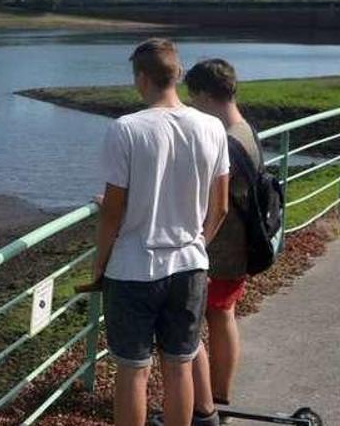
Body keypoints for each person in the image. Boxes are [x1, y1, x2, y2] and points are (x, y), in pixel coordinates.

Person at [77, 38, 231, 426]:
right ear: (178, 75)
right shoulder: (212, 127)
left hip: (133, 268)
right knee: (179, 365)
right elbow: (222, 205)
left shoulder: (127, 129)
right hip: (190, 264)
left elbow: (112, 211)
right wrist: (198, 243)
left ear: (141, 78)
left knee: (134, 371)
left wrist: (99, 267)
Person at [185, 59, 261, 419]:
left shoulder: (227, 143)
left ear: (203, 93)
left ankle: (207, 401)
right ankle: (219, 396)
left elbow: (213, 202)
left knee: (195, 323)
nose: (189, 105)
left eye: (192, 97)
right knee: (223, 316)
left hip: (220, 249)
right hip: (239, 246)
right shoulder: (246, 130)